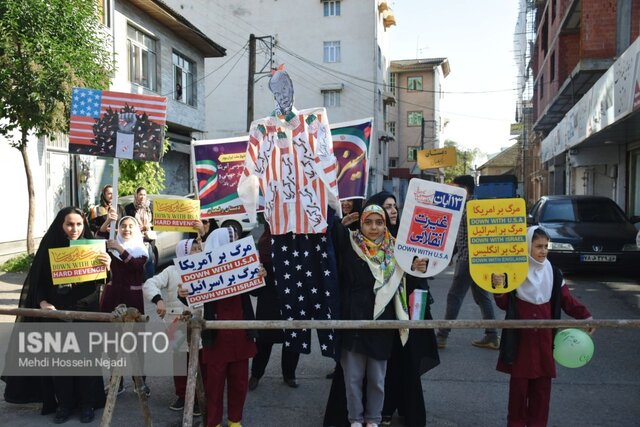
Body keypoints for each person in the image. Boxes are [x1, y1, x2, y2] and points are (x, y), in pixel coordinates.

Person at [3, 207, 110, 423]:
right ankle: (64, 404)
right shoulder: (49, 245)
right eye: (69, 224)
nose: (74, 229)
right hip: (56, 312)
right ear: (61, 225)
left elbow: (102, 280)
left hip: (86, 312)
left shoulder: (93, 247)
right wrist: (42, 302)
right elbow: (38, 281)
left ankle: (87, 404)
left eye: (79, 224)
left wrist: (107, 267)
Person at [331, 204, 426, 427]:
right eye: (368, 222)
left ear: (385, 224)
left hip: (383, 323)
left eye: (379, 222)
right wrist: (338, 227)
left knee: (377, 379)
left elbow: (408, 282)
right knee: (352, 378)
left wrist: (418, 268)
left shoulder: (397, 251)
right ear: (361, 223)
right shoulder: (349, 244)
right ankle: (355, 419)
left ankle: (372, 419)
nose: (374, 227)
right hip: (353, 321)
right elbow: (329, 256)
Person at [495, 226, 593, 426]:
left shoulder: (554, 274)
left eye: (546, 246)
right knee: (518, 395)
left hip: (544, 343)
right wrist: (498, 287)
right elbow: (503, 303)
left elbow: (567, 301)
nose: (543, 251)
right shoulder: (514, 272)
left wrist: (586, 317)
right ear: (526, 247)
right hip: (520, 343)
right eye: (538, 246)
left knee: (541, 395)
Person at [364, 192, 440, 427]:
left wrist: (420, 266)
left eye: (395, 206)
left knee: (408, 361)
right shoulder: (371, 241)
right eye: (387, 206)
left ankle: (409, 409)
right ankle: (384, 409)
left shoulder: (409, 235)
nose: (393, 210)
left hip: (411, 306)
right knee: (386, 363)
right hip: (384, 311)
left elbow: (425, 267)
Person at [179, 227, 265, 427]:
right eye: (230, 239)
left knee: (240, 382)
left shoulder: (242, 263)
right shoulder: (202, 267)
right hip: (215, 336)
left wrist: (262, 274)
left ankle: (235, 420)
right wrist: (183, 293)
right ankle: (213, 422)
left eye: (235, 239)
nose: (234, 243)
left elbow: (257, 294)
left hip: (241, 334)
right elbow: (191, 299)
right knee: (214, 384)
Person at [436, 175, 500, 350]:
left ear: (464, 189)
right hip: (479, 260)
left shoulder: (467, 209)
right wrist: (451, 254)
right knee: (482, 297)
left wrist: (455, 255)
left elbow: (468, 239)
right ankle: (492, 336)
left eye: (456, 188)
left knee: (454, 297)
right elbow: (462, 237)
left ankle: (442, 336)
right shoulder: (477, 207)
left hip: (468, 261)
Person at [142, 238, 202, 412]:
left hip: (200, 321)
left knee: (201, 360)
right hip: (175, 322)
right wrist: (158, 300)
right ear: (183, 251)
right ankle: (182, 395)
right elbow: (150, 284)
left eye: (199, 248)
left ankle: (199, 397)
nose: (197, 251)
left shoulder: (206, 269)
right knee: (179, 361)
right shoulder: (171, 270)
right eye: (193, 248)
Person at [249, 223, 300, 390]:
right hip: (268, 300)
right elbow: (255, 290)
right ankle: (256, 374)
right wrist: (258, 277)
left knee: (293, 338)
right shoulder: (264, 243)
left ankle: (289, 375)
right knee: (263, 341)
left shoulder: (298, 243)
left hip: (293, 297)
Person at [101, 216, 149, 395]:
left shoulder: (140, 248)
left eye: (130, 226)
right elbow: (95, 240)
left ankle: (139, 383)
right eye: (122, 226)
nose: (126, 229)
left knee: (136, 343)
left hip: (132, 299)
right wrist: (108, 221)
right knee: (112, 344)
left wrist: (120, 249)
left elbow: (136, 266)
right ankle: (116, 382)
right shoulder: (111, 246)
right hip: (112, 297)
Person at [124, 186, 155, 279]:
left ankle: (150, 282)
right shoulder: (129, 208)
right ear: (136, 195)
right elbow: (126, 222)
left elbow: (156, 221)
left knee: (150, 260)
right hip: (135, 239)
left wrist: (148, 226)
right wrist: (136, 228)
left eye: (144, 195)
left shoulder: (150, 207)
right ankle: (138, 282)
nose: (142, 197)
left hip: (148, 238)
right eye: (140, 194)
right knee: (137, 261)